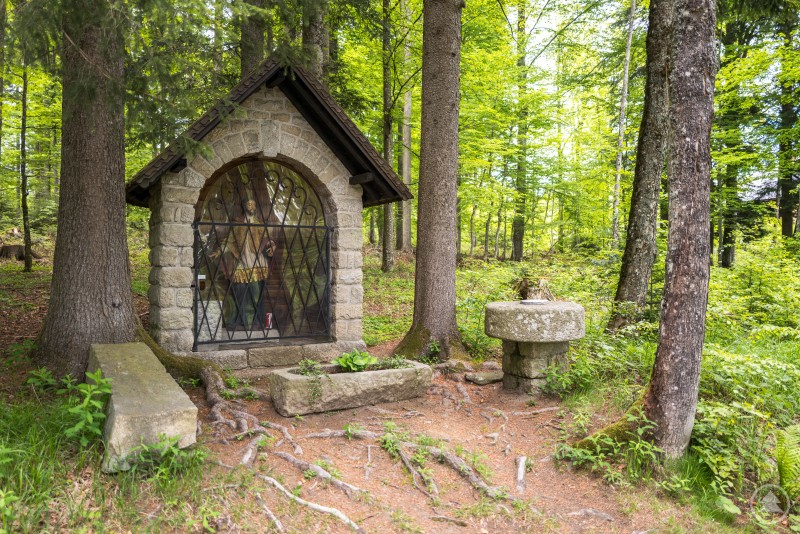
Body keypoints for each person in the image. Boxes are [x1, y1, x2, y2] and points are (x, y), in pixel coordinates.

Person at [222, 199, 275, 330]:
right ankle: (242, 322)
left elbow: (267, 240)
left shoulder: (260, 224)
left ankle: (256, 322)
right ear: (244, 206)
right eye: (249, 204)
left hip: (257, 262)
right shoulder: (238, 224)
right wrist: (218, 251)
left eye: (253, 204)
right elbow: (228, 241)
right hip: (242, 261)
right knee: (240, 292)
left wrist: (271, 245)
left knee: (256, 294)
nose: (251, 206)